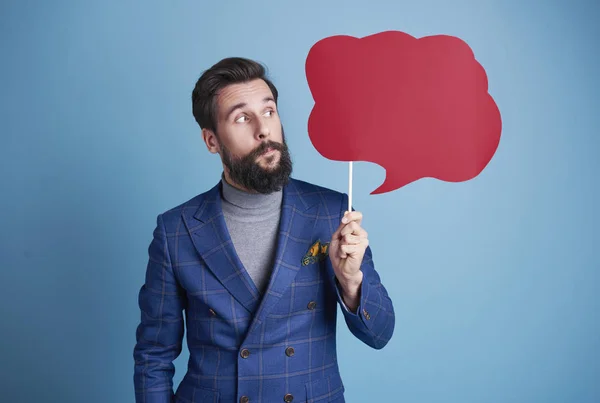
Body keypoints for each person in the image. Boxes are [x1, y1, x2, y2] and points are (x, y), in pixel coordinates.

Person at [133, 57, 395, 403]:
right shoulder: (176, 230)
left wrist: (351, 281)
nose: (264, 130)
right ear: (211, 141)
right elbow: (154, 356)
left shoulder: (332, 211)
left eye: (269, 112)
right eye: (242, 118)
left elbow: (380, 334)